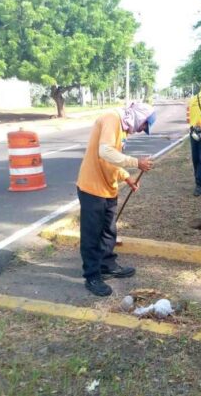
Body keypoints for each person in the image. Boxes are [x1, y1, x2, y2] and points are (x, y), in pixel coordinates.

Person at [76, 103, 156, 296]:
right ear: (139, 116)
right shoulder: (112, 118)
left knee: (108, 231)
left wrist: (126, 176)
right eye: (144, 125)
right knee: (92, 234)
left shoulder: (122, 127)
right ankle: (92, 276)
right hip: (92, 188)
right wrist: (136, 163)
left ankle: (107, 265)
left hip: (108, 188)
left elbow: (111, 160)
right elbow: (105, 152)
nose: (142, 129)